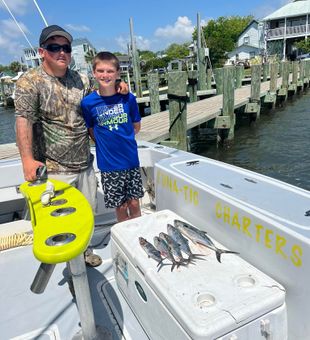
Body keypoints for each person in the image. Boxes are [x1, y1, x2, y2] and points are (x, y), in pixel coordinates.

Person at [14, 25, 128, 267]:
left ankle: (83, 254)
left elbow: (100, 99)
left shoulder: (81, 79)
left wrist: (118, 87)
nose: (61, 52)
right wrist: (26, 160)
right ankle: (68, 265)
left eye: (65, 47)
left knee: (87, 215)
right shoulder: (29, 82)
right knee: (61, 223)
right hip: (54, 169)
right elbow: (23, 120)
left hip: (84, 163)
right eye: (54, 47)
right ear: (42, 51)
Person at [81, 52, 144, 222]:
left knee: (134, 203)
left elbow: (136, 126)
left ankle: (140, 233)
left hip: (130, 159)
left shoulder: (128, 98)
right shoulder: (88, 103)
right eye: (100, 71)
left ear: (117, 74)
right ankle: (126, 235)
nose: (105, 75)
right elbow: (92, 131)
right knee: (121, 206)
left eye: (110, 71)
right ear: (93, 72)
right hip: (109, 164)